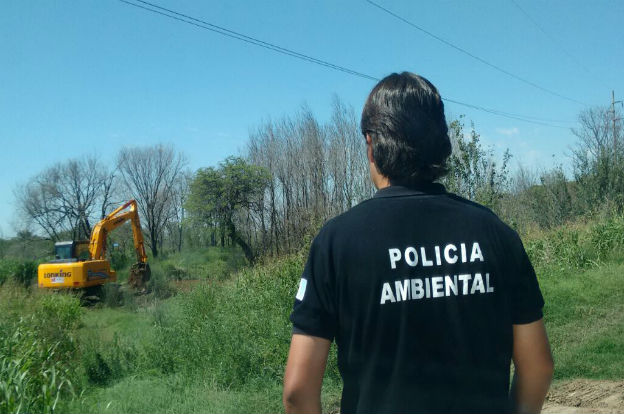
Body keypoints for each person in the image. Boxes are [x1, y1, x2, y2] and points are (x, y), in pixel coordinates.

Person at [283, 72, 553, 414]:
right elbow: (538, 367)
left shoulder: (336, 243)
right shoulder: (496, 234)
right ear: (440, 142)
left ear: (370, 143)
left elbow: (297, 390)